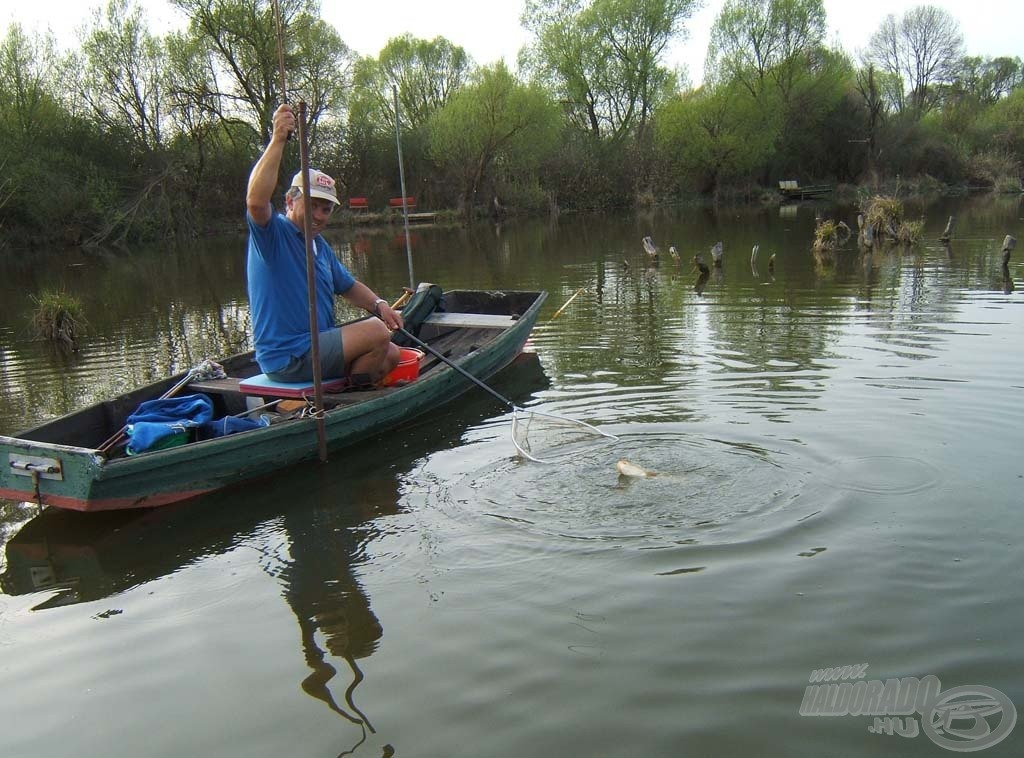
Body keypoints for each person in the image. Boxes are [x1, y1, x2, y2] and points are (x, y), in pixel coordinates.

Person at [245, 103, 403, 385]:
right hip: (288, 357)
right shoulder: (274, 234)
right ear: (290, 201)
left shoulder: (320, 247)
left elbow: (349, 286)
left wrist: (380, 305)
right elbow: (256, 202)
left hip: (314, 348)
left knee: (391, 354)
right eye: (313, 205)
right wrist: (278, 139)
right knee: (377, 333)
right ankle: (348, 399)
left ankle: (348, 394)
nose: (319, 216)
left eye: (326, 209)